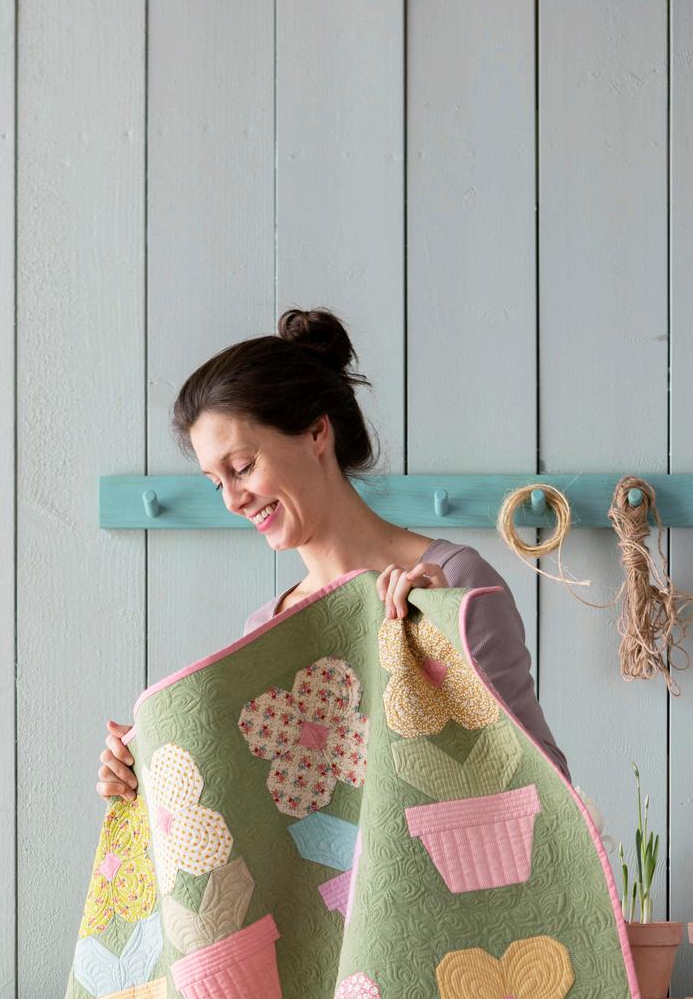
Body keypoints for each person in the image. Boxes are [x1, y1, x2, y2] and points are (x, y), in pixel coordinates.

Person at [96, 306, 570, 803]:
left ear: (316, 433)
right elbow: (269, 822)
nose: (232, 500)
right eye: (217, 483)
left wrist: (442, 639)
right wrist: (144, 779)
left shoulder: (453, 581)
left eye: (242, 466)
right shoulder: (265, 630)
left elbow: (553, 795)